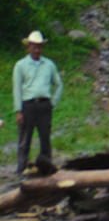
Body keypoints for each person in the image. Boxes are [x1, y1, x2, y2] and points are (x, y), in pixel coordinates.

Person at [13, 30, 62, 176]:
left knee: (45, 137)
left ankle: (46, 167)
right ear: (28, 47)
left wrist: (53, 102)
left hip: (44, 104)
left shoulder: (49, 65)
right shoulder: (20, 65)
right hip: (28, 105)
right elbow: (17, 88)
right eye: (34, 46)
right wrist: (18, 110)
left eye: (39, 46)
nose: (37, 49)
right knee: (24, 139)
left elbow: (58, 84)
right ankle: (21, 168)